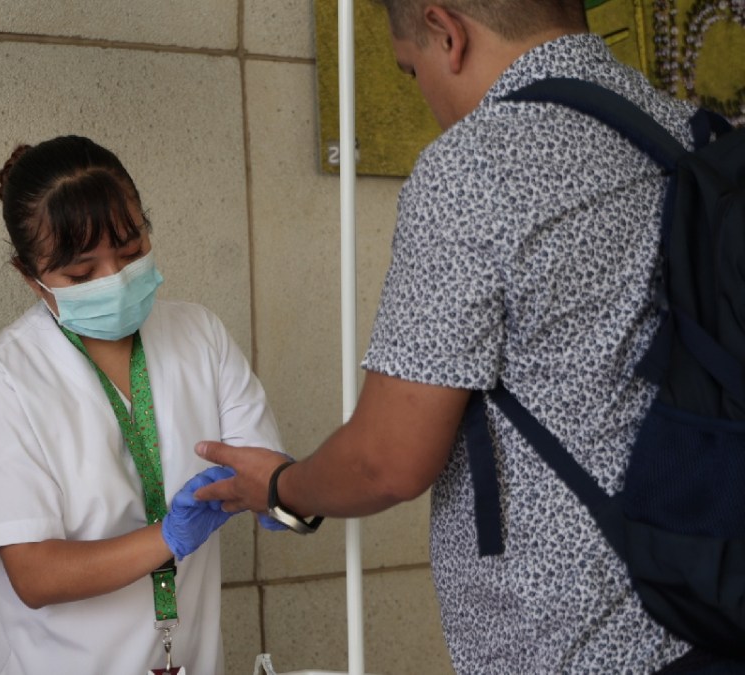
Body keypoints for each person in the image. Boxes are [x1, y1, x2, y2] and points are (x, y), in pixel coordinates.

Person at [193, 2, 739, 672]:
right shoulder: (689, 131)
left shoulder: (476, 164)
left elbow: (388, 458)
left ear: (446, 33)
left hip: (577, 642)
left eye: (410, 69)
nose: (424, 95)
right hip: (716, 591)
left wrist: (281, 487)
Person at [0, 135, 283, 674]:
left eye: (130, 253)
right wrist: (167, 536)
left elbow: (264, 471)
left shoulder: (199, 335)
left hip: (189, 658)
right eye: (82, 274)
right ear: (31, 279)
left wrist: (284, 496)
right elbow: (35, 575)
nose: (115, 280)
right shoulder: (4, 382)